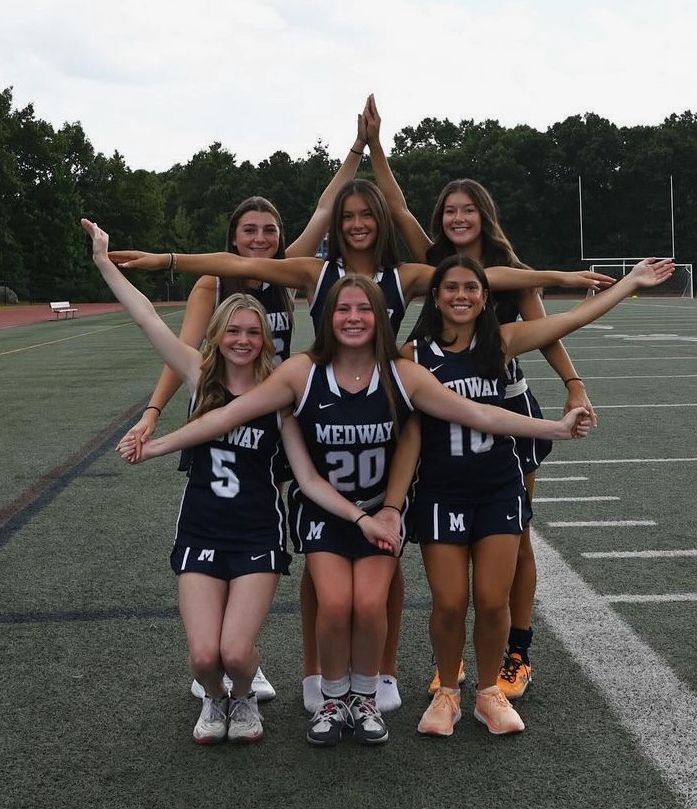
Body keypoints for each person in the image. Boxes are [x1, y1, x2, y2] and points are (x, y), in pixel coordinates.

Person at [109, 178, 613, 713]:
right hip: (323, 399)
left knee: (386, 552)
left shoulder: (405, 278)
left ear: (381, 222)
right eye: (347, 214)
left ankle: (385, 673)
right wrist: (165, 258)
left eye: (366, 214)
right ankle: (316, 673)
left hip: (387, 403)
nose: (356, 223)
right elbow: (236, 265)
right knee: (319, 553)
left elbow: (485, 277)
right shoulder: (314, 272)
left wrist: (557, 275)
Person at [81, 220, 400, 746]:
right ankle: (215, 696)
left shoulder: (281, 396)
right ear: (218, 335)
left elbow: (309, 480)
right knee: (205, 658)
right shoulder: (197, 376)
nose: (243, 340)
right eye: (233, 331)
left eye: (253, 332)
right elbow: (146, 321)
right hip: (202, 528)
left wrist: (362, 517)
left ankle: (245, 692)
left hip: (256, 532)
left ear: (265, 338)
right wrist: (103, 262)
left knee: (234, 653)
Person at [121, 126, 369, 704]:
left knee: (270, 518)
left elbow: (328, 206)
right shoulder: (216, 279)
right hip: (223, 411)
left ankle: (245, 648)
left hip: (280, 420)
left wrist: (358, 150)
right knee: (220, 514)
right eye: (249, 230)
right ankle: (227, 658)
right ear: (232, 236)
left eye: (270, 230)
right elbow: (184, 351)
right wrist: (155, 413)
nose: (261, 238)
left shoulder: (290, 270)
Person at [378, 253, 674, 737]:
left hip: (498, 488)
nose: (461, 296)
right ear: (435, 297)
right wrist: (393, 502)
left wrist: (630, 283)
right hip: (441, 493)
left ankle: (488, 691)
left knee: (494, 602)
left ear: (484, 297)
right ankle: (448, 690)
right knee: (450, 602)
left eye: (471, 288)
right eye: (450, 288)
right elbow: (408, 432)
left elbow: (571, 319)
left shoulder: (503, 342)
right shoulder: (412, 355)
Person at [363, 92, 598, 698]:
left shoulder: (505, 265)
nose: (456, 219)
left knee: (513, 536)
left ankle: (517, 650)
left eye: (467, 211)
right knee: (446, 524)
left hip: (510, 410)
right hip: (440, 407)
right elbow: (396, 204)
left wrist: (572, 383)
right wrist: (375, 147)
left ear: (483, 216)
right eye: (450, 212)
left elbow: (544, 331)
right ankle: (454, 662)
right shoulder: (434, 261)